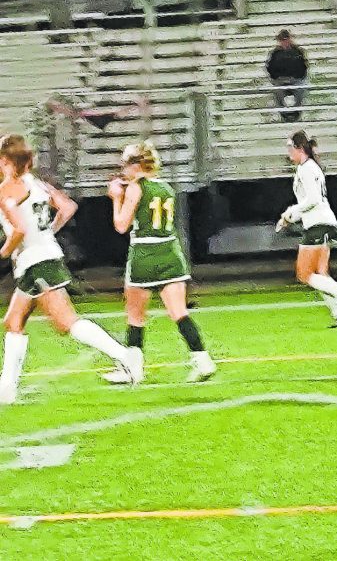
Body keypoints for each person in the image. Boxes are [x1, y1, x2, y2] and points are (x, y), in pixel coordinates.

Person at [0, 134, 141, 404]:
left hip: (36, 263)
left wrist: (5, 252)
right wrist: (47, 234)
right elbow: (67, 207)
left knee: (66, 322)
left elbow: (18, 230)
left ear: (6, 161)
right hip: (42, 258)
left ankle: (125, 356)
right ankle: (7, 388)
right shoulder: (36, 183)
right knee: (14, 321)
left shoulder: (7, 188)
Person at [102, 141, 216, 384]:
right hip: (170, 252)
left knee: (135, 316)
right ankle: (203, 360)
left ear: (136, 164)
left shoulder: (136, 187)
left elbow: (121, 225)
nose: (123, 169)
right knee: (179, 313)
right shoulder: (165, 187)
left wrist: (115, 198)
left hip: (145, 253)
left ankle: (133, 370)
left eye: (125, 164)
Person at [276, 131, 337, 328]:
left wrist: (290, 213)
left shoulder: (306, 168)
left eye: (290, 148)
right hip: (323, 222)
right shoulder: (310, 167)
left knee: (304, 273)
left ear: (299, 148)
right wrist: (289, 217)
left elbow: (313, 200)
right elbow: (310, 201)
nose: (288, 153)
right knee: (320, 274)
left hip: (317, 224)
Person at [266, 29, 309, 123]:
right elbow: (270, 68)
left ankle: (296, 112)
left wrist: (295, 77)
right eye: (282, 40)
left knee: (301, 89)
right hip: (280, 80)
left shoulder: (298, 52)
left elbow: (303, 67)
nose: (284, 42)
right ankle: (284, 114)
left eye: (286, 39)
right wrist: (278, 78)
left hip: (295, 79)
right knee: (277, 91)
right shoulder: (275, 53)